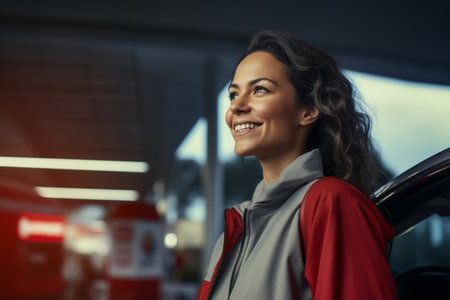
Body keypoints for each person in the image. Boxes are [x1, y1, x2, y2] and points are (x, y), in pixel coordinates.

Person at [197, 30, 398, 300]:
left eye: (259, 90)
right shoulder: (235, 232)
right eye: (234, 94)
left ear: (309, 110)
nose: (237, 107)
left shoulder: (331, 203)